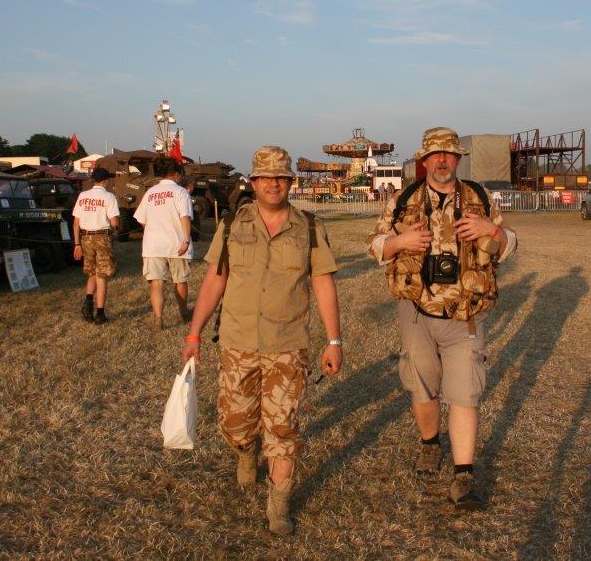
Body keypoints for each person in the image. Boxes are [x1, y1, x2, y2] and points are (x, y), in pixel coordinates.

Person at [182, 146, 343, 536]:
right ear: (253, 183)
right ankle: (245, 450)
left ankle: (279, 503)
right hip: (237, 342)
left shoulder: (308, 227)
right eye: (266, 177)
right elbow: (215, 281)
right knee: (235, 423)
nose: (274, 184)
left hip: (287, 345)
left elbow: (323, 283)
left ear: (290, 182)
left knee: (283, 427)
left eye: (281, 178)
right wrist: (194, 332)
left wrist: (334, 341)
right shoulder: (232, 226)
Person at [366, 127, 518, 509]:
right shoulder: (403, 200)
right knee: (422, 387)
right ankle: (430, 445)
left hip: (466, 314)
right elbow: (375, 245)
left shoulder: (480, 197)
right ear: (424, 160)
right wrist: (400, 242)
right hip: (416, 311)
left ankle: (463, 476)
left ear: (458, 159)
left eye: (449, 154)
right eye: (434, 154)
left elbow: (510, 245)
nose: (442, 160)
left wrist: (490, 230)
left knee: (465, 392)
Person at [134, 157, 194, 328]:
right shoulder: (181, 192)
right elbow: (185, 217)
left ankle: (158, 319)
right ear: (176, 175)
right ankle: (184, 312)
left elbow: (141, 219)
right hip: (177, 243)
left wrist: (153, 230)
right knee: (180, 280)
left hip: (153, 245)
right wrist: (186, 240)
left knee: (157, 283)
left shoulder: (150, 193)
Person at [72, 166, 120, 324]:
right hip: (102, 237)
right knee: (102, 275)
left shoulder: (83, 195)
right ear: (105, 181)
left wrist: (77, 244)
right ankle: (100, 313)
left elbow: (76, 223)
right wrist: (116, 229)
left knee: (92, 272)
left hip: (85, 238)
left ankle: (88, 302)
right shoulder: (109, 197)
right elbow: (114, 222)